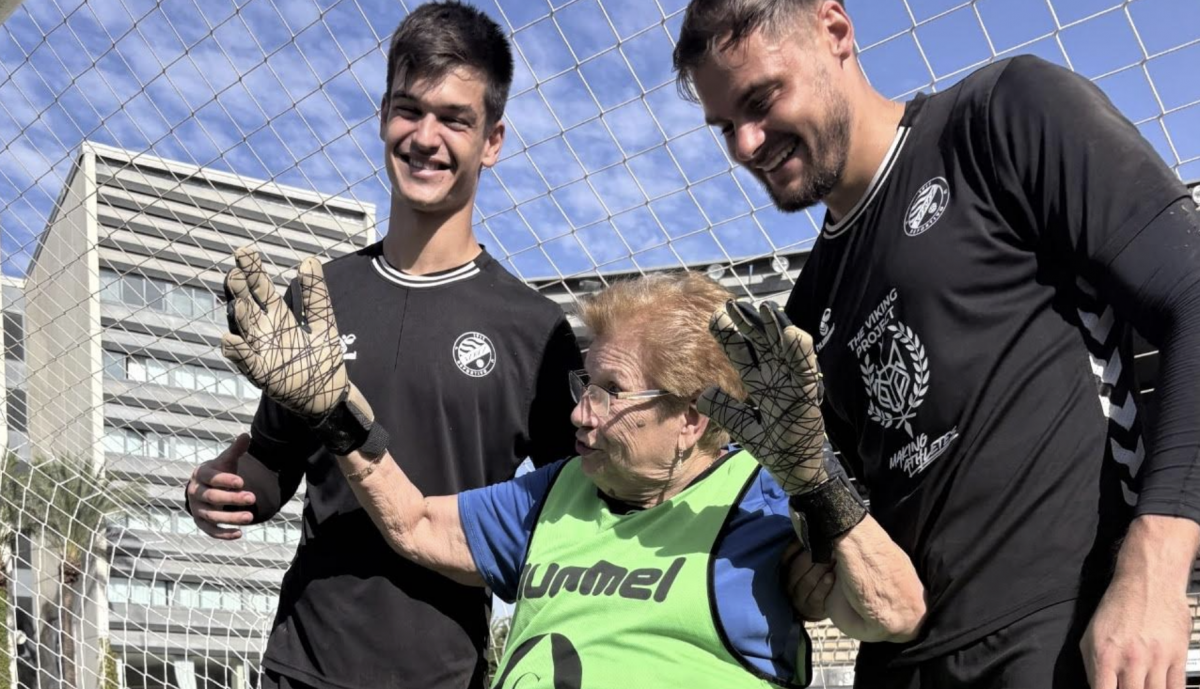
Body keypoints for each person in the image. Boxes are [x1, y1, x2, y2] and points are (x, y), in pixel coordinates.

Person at [673, 1, 1200, 688]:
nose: (746, 144)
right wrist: (814, 533)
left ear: (835, 30)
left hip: (1063, 639)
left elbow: (1191, 296)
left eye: (761, 99)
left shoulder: (1001, 116)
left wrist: (1155, 566)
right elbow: (848, 526)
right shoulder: (808, 310)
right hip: (901, 665)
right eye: (725, 127)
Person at [219, 251, 927, 688]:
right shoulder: (559, 490)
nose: (581, 414)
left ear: (692, 416)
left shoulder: (767, 499)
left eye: (609, 392)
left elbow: (893, 612)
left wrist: (817, 481)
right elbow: (415, 521)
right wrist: (335, 412)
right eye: (582, 387)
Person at [182, 4, 582, 689]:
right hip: (300, 662)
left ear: (492, 140)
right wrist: (222, 490)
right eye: (408, 110)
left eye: (455, 118)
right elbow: (274, 465)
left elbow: (580, 504)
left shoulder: (535, 330)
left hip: (443, 672)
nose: (425, 137)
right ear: (382, 118)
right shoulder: (320, 293)